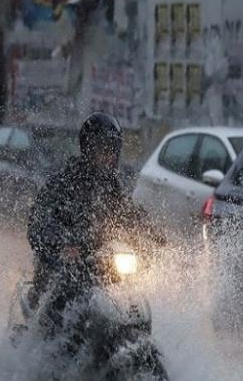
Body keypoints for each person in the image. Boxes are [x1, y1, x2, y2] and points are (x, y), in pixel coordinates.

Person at [26, 112, 164, 316]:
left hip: (99, 265)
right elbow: (39, 222)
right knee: (57, 307)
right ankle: (46, 345)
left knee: (128, 296)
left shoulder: (112, 188)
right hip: (63, 268)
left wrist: (154, 237)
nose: (109, 156)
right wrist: (59, 242)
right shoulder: (63, 183)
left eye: (113, 150)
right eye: (103, 149)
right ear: (88, 149)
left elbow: (129, 214)